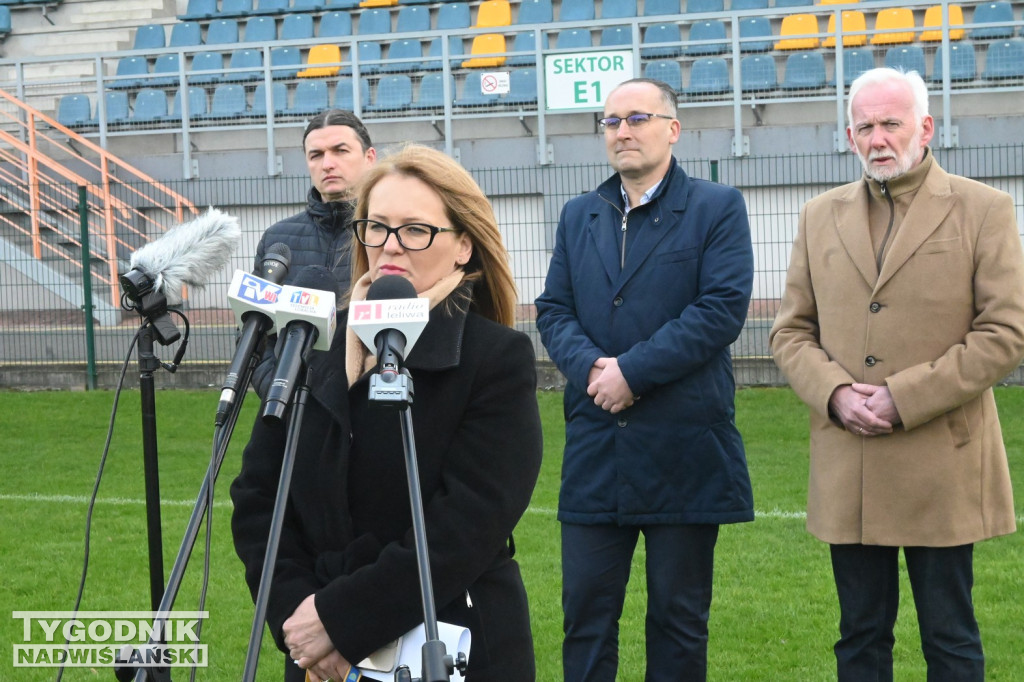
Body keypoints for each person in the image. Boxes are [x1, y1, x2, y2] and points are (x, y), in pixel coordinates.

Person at [231, 144, 543, 682]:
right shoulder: (312, 344)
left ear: (464, 246)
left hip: (449, 642)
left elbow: (467, 525)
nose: (390, 246)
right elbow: (260, 496)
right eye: (376, 227)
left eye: (415, 230)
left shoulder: (496, 358)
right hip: (316, 655)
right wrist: (299, 617)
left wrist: (339, 621)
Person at [769, 67, 1024, 681]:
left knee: (950, 635)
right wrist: (833, 393)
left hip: (942, 460)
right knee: (859, 637)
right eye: (865, 126)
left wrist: (901, 398)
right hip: (848, 463)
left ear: (925, 127)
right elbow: (790, 332)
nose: (878, 137)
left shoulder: (984, 209)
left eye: (891, 123)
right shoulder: (816, 215)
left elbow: (1005, 334)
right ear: (849, 135)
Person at [534, 78, 755, 682]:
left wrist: (631, 372)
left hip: (683, 450)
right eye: (610, 121)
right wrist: (589, 368)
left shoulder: (717, 207)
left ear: (672, 129)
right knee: (584, 619)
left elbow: (720, 311)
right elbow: (553, 309)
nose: (622, 131)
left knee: (678, 623)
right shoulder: (581, 213)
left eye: (636, 118)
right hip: (596, 450)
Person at [251, 109, 377, 397]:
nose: (327, 164)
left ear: (370, 157)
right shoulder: (277, 239)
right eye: (316, 155)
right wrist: (278, 388)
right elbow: (255, 334)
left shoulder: (389, 237)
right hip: (290, 410)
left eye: (340, 151)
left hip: (366, 408)